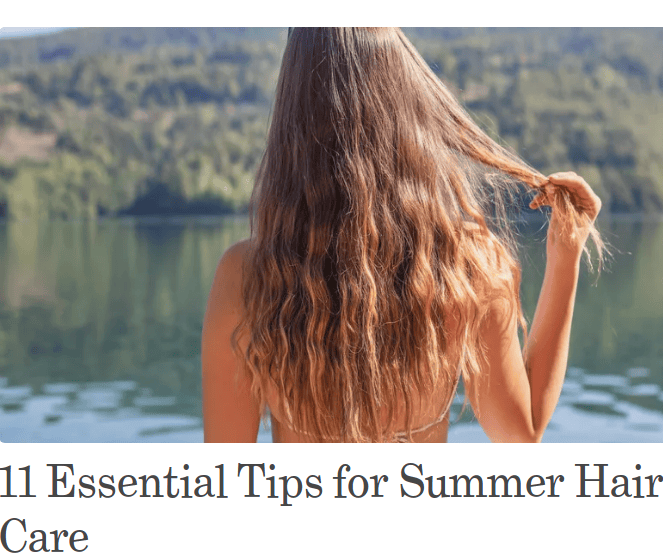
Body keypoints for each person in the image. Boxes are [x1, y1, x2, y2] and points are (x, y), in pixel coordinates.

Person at [201, 27, 602, 442]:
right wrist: (566, 254)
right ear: (407, 107)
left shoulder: (247, 277)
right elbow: (523, 432)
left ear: (292, 118)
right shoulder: (467, 266)